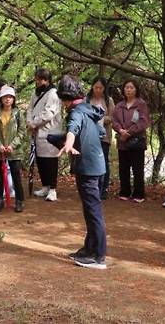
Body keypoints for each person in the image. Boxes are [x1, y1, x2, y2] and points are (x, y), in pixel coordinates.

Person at [57, 75, 107, 270]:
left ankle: (99, 256)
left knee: (93, 212)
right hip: (95, 165)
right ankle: (89, 248)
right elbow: (99, 134)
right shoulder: (88, 109)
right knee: (90, 210)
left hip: (88, 167)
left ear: (64, 98)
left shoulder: (76, 111)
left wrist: (68, 142)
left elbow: (73, 127)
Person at [0, 85, 26, 213]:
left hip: (14, 151)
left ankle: (19, 200)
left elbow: (22, 131)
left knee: (16, 175)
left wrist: (12, 145)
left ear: (14, 99)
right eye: (5, 97)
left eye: (10, 97)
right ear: (1, 98)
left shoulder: (18, 114)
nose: (8, 99)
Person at [27, 68, 63, 202]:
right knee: (41, 160)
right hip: (37, 133)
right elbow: (30, 109)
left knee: (51, 161)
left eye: (37, 79)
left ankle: (53, 189)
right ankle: (45, 186)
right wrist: (29, 122)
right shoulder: (35, 93)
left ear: (45, 80)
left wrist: (34, 123)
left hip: (50, 132)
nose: (36, 82)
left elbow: (48, 113)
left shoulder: (53, 94)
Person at [112, 79, 150, 203]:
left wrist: (129, 132)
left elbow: (143, 122)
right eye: (126, 87)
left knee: (137, 169)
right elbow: (114, 121)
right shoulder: (119, 105)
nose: (128, 90)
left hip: (136, 141)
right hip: (122, 141)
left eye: (131, 87)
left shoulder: (141, 104)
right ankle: (124, 191)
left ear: (136, 89)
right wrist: (120, 130)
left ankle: (139, 193)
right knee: (123, 168)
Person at [86, 76, 115, 200]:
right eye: (96, 87)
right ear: (92, 87)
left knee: (103, 162)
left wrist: (102, 118)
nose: (98, 90)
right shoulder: (86, 100)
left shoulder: (109, 101)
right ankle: (90, 188)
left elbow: (113, 117)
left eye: (101, 88)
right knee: (89, 162)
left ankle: (103, 188)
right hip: (89, 137)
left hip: (104, 137)